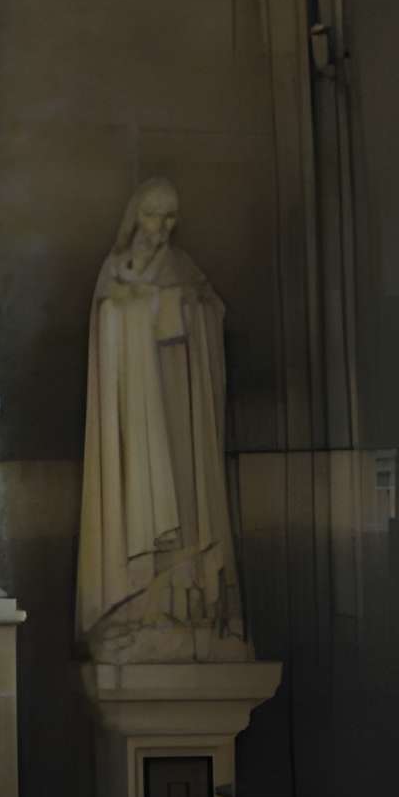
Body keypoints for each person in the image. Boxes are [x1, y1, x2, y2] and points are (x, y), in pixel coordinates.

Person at [76, 177, 245, 662]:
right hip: (135, 415)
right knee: (138, 502)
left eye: (171, 217)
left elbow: (211, 313)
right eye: (154, 214)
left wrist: (180, 312)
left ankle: (185, 608)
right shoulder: (114, 270)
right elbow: (105, 325)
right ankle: (134, 611)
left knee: (187, 504)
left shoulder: (184, 269)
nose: (162, 227)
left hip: (180, 411)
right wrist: (134, 312)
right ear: (135, 216)